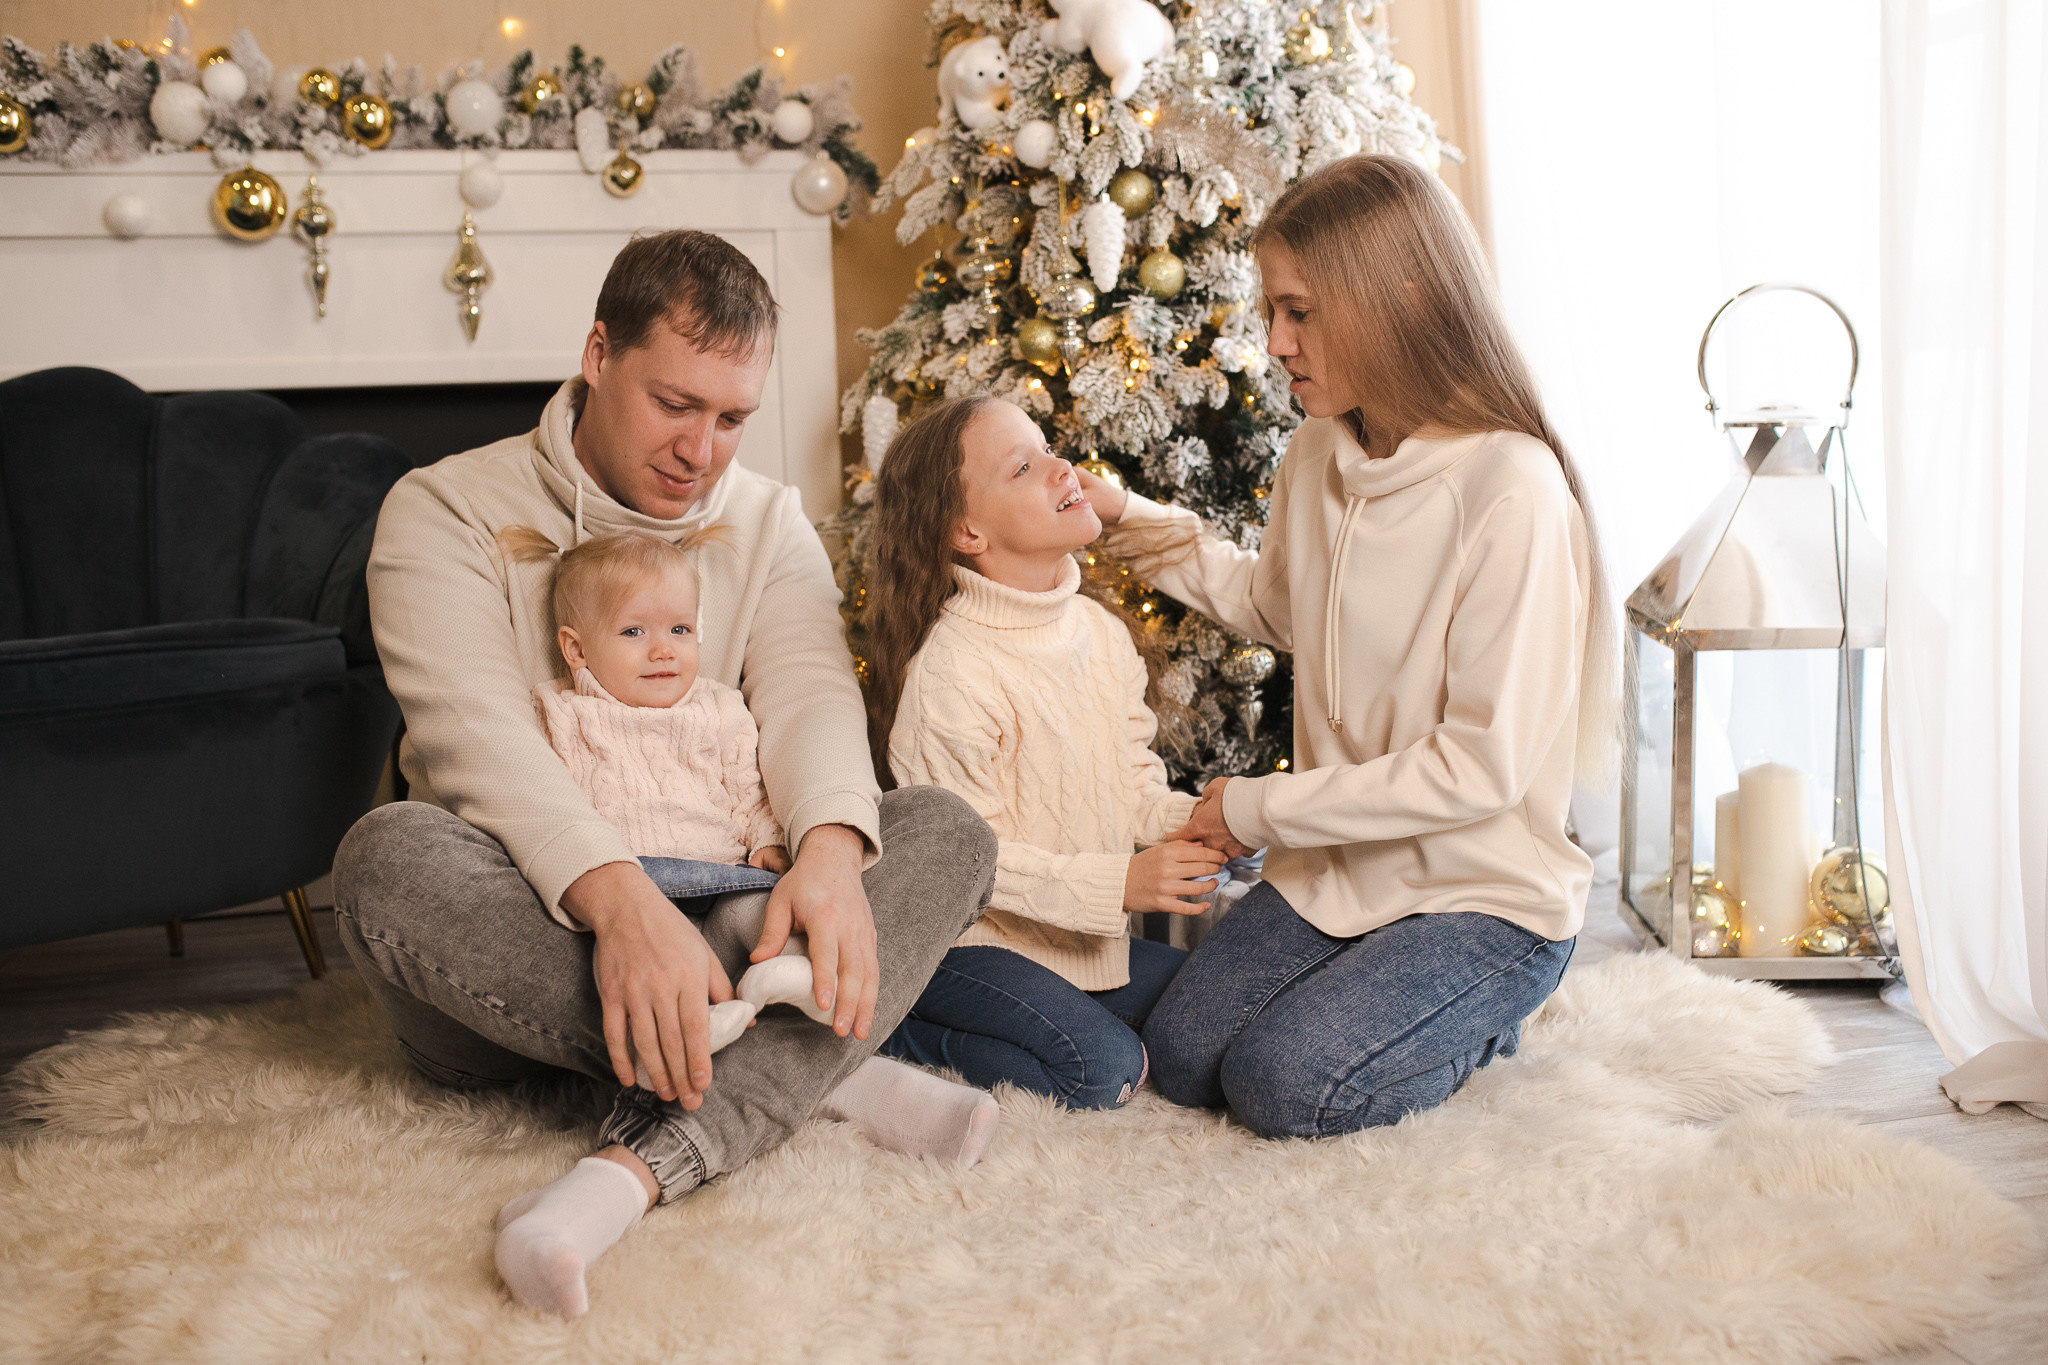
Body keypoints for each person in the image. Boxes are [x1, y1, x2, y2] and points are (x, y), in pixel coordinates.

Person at [331, 230, 997, 1320]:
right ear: (599, 353)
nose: (702, 447)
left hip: (722, 916)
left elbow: (811, 699)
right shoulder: (439, 507)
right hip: (517, 948)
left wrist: (828, 858)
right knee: (383, 858)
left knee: (940, 829)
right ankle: (827, 1071)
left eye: (731, 417)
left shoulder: (767, 521)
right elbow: (472, 743)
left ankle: (617, 1182)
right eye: (674, 403)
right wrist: (622, 904)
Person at [1075, 153, 1617, 1139]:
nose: (1274, 342)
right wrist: (1123, 518)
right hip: (1341, 871)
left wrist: (1253, 808)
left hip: (1480, 895)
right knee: (1190, 1060)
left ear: (1396, 298)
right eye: (1270, 313)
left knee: (1288, 1086)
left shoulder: (1510, 488)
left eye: (1298, 312)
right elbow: (1274, 604)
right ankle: (1386, 1005)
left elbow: (1475, 771)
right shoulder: (1317, 453)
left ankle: (1485, 1018)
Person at [504, 521, 1001, 1135]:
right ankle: (718, 1029)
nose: (664, 651)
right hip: (630, 892)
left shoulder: (717, 707)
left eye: (680, 631)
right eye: (634, 632)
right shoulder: (561, 712)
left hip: (722, 874)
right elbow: (546, 798)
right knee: (611, 958)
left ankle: (785, 978)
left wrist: (767, 840)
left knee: (755, 919)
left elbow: (748, 785)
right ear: (576, 650)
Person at [865, 394, 1220, 1109]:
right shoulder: (952, 672)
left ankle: (1070, 1012)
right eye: (1024, 466)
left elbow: (1132, 781)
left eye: (1048, 446)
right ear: (965, 529)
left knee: (1212, 1019)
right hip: (967, 948)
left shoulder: (1098, 632)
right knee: (1102, 1069)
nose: (1063, 467)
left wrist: (1201, 818)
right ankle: (891, 1029)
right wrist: (1120, 884)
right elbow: (974, 867)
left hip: (1078, 941)